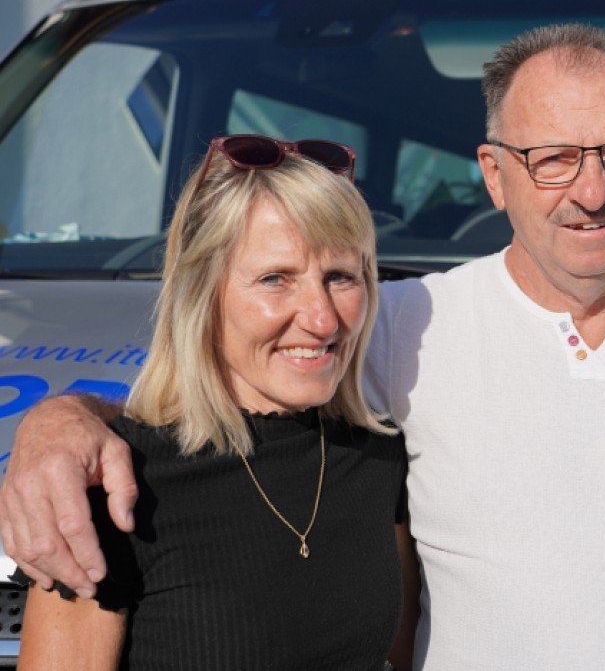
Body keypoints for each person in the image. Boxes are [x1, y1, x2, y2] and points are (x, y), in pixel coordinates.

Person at [1, 25, 605, 668]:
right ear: (494, 174)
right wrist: (63, 417)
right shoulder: (408, 327)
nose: (595, 190)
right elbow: (228, 403)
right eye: (555, 158)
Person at [13, 135, 416, 668]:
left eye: (341, 276)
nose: (322, 319)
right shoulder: (117, 488)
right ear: (202, 292)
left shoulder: (378, 457)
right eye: (276, 279)